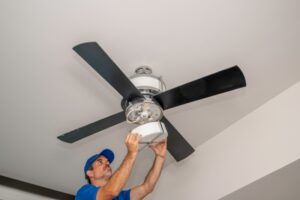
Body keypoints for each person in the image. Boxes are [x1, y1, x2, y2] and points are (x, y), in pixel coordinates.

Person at [75, 133, 167, 200]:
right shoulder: (84, 193)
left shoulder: (121, 196)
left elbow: (147, 187)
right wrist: (131, 154)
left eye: (107, 162)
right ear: (90, 173)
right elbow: (110, 192)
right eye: (100, 162)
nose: (107, 163)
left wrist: (160, 157)